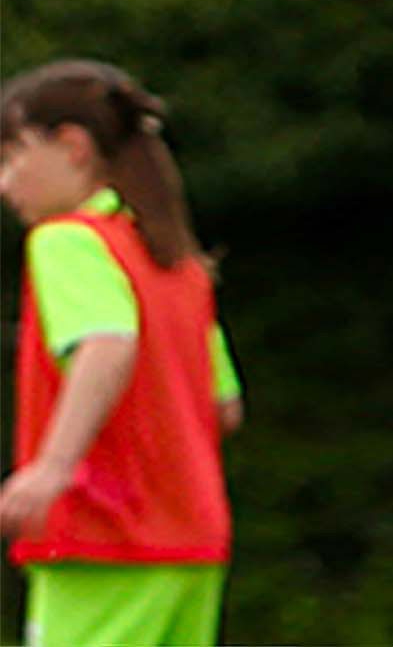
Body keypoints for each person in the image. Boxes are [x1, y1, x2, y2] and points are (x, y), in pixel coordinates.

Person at [0, 60, 241, 647]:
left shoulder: (67, 240)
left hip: (102, 537)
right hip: (193, 542)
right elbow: (225, 408)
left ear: (73, 146)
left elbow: (108, 345)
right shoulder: (180, 266)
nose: (4, 184)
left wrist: (53, 468)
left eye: (11, 157)